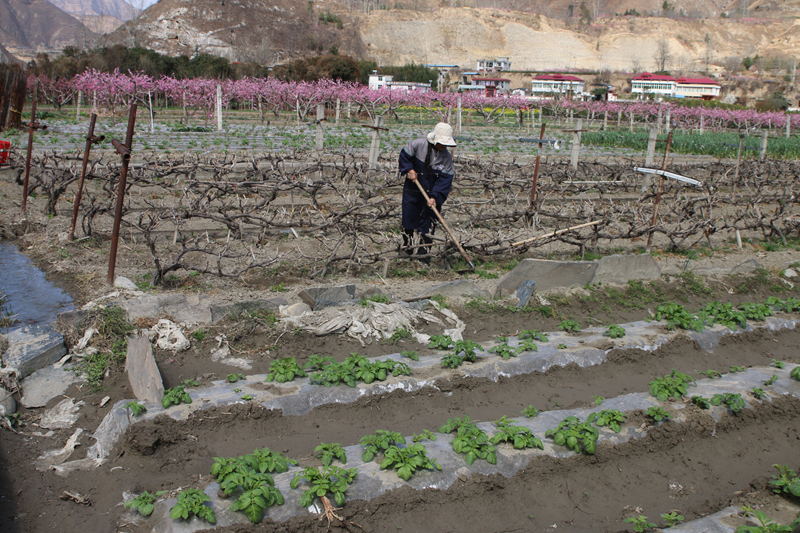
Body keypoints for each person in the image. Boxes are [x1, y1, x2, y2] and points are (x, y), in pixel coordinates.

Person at [397, 122, 456, 263]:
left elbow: (444, 181)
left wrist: (435, 197)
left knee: (429, 220)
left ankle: (423, 254)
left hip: (432, 192)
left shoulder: (446, 159)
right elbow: (404, 156)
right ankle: (407, 248)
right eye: (441, 143)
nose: (443, 146)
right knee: (409, 218)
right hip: (413, 189)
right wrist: (410, 170)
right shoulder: (417, 145)